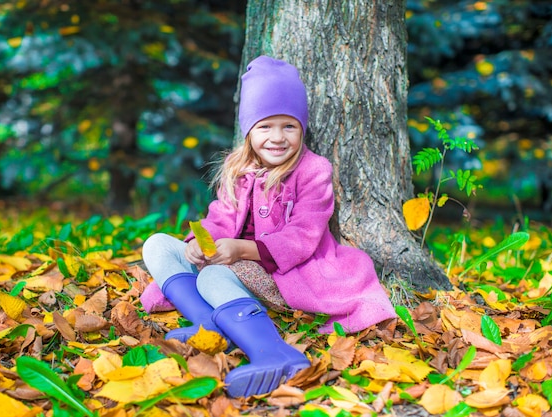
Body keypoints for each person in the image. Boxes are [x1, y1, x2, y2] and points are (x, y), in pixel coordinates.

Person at [141, 55, 397, 398]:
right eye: (265, 126)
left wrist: (242, 250)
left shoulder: (313, 171)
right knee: (157, 244)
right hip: (230, 261)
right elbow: (219, 218)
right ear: (249, 131)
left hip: (283, 273)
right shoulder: (237, 169)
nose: (277, 138)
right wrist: (198, 243)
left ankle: (273, 352)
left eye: (288, 126)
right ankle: (209, 325)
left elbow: (303, 235)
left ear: (302, 128)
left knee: (213, 277)